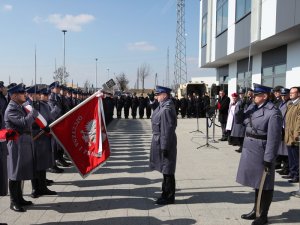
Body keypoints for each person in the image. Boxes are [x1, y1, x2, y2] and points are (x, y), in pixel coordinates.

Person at [236, 83, 282, 225]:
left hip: (262, 151)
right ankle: (255, 210)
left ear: (264, 96)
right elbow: (240, 121)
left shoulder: (273, 113)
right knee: (257, 183)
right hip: (250, 149)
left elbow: (273, 139)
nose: (253, 97)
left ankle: (263, 215)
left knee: (265, 184)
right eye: (253, 95)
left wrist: (269, 158)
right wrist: (240, 104)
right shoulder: (252, 108)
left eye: (256, 95)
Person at [4, 83, 39, 212]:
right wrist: (33, 113)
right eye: (21, 93)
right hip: (16, 144)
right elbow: (24, 123)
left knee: (20, 172)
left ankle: (20, 198)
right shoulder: (11, 109)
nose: (25, 95)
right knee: (14, 173)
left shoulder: (20, 106)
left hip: (23, 143)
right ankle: (13, 201)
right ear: (14, 95)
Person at [150, 85, 177, 205]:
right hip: (161, 141)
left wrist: (164, 147)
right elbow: (155, 111)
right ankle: (165, 194)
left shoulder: (166, 109)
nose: (156, 96)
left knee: (168, 170)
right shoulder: (164, 105)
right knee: (166, 170)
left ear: (164, 95)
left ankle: (168, 196)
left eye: (158, 94)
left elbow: (166, 130)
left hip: (165, 142)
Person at [284, 86, 300, 183]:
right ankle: (292, 173)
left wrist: (297, 133)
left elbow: (299, 121)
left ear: (298, 94)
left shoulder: (298, 105)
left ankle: (296, 175)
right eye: (290, 93)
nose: (290, 94)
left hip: (295, 135)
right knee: (291, 155)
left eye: (293, 93)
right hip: (288, 134)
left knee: (296, 156)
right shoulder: (290, 104)